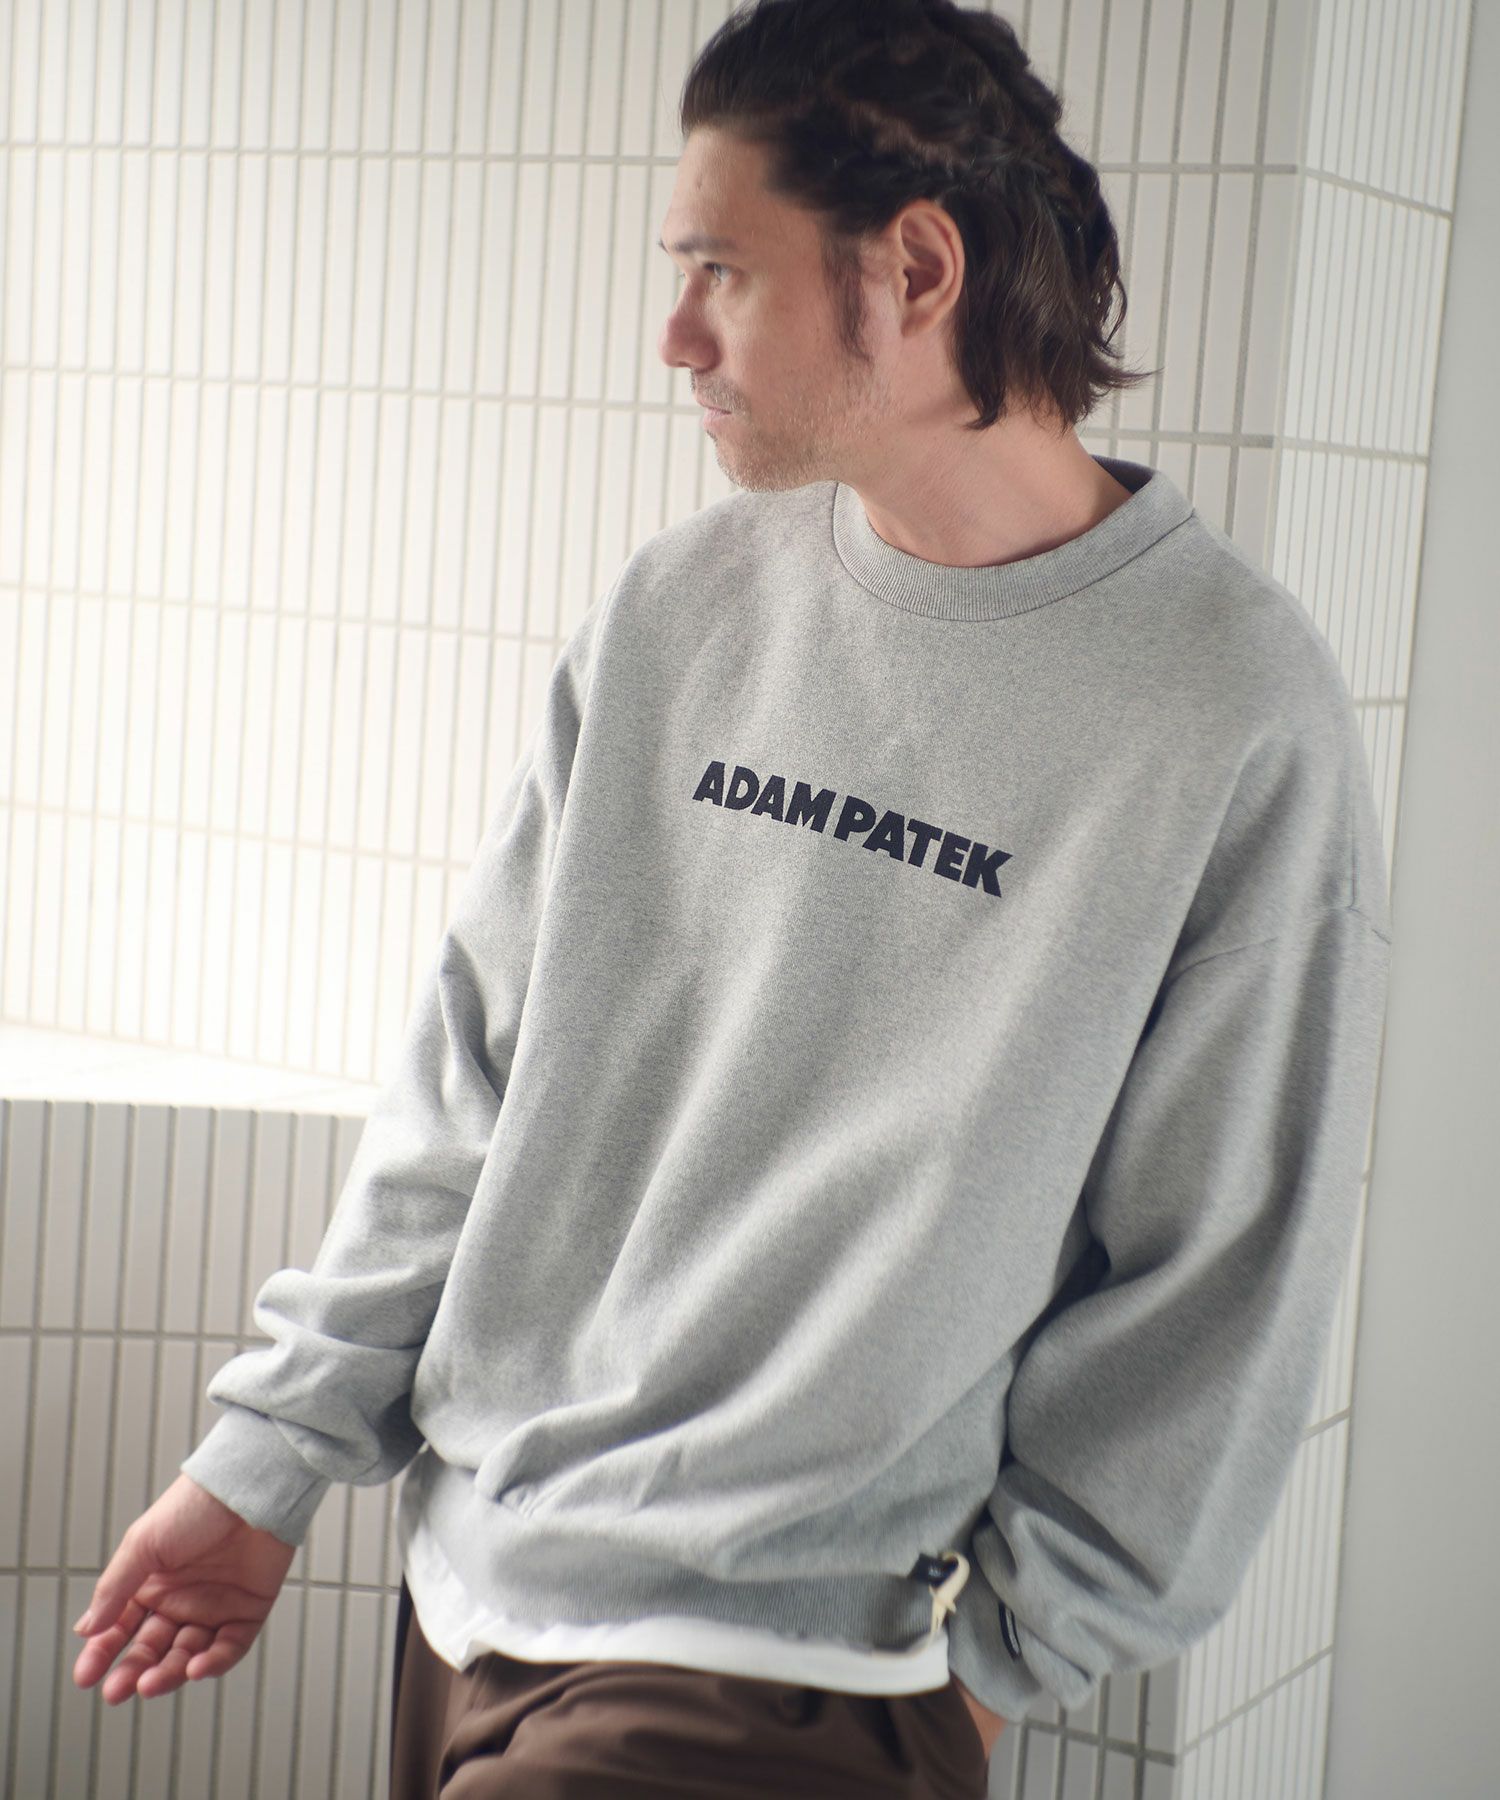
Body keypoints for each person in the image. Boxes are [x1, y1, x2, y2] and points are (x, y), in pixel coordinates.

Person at [70, 2, 1394, 1795]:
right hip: (467, 1601)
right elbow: (478, 1075)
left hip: (782, 1685)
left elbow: (1220, 1268)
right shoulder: (679, 607)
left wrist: (994, 1664)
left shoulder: (1226, 709)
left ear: (913, 269)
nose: (674, 333)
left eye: (721, 271)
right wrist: (267, 1461)